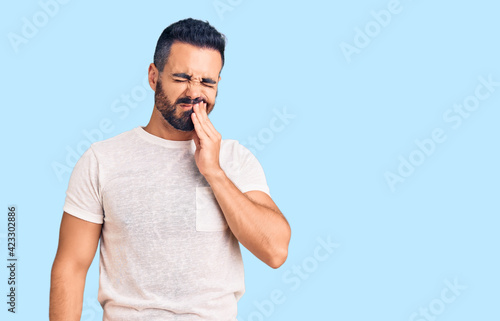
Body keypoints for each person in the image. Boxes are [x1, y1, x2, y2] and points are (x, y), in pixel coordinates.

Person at [49, 18, 291, 321]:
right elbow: (70, 266)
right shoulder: (101, 160)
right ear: (154, 76)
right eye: (181, 78)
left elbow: (276, 251)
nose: (194, 93)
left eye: (207, 82)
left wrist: (214, 172)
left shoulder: (235, 160)